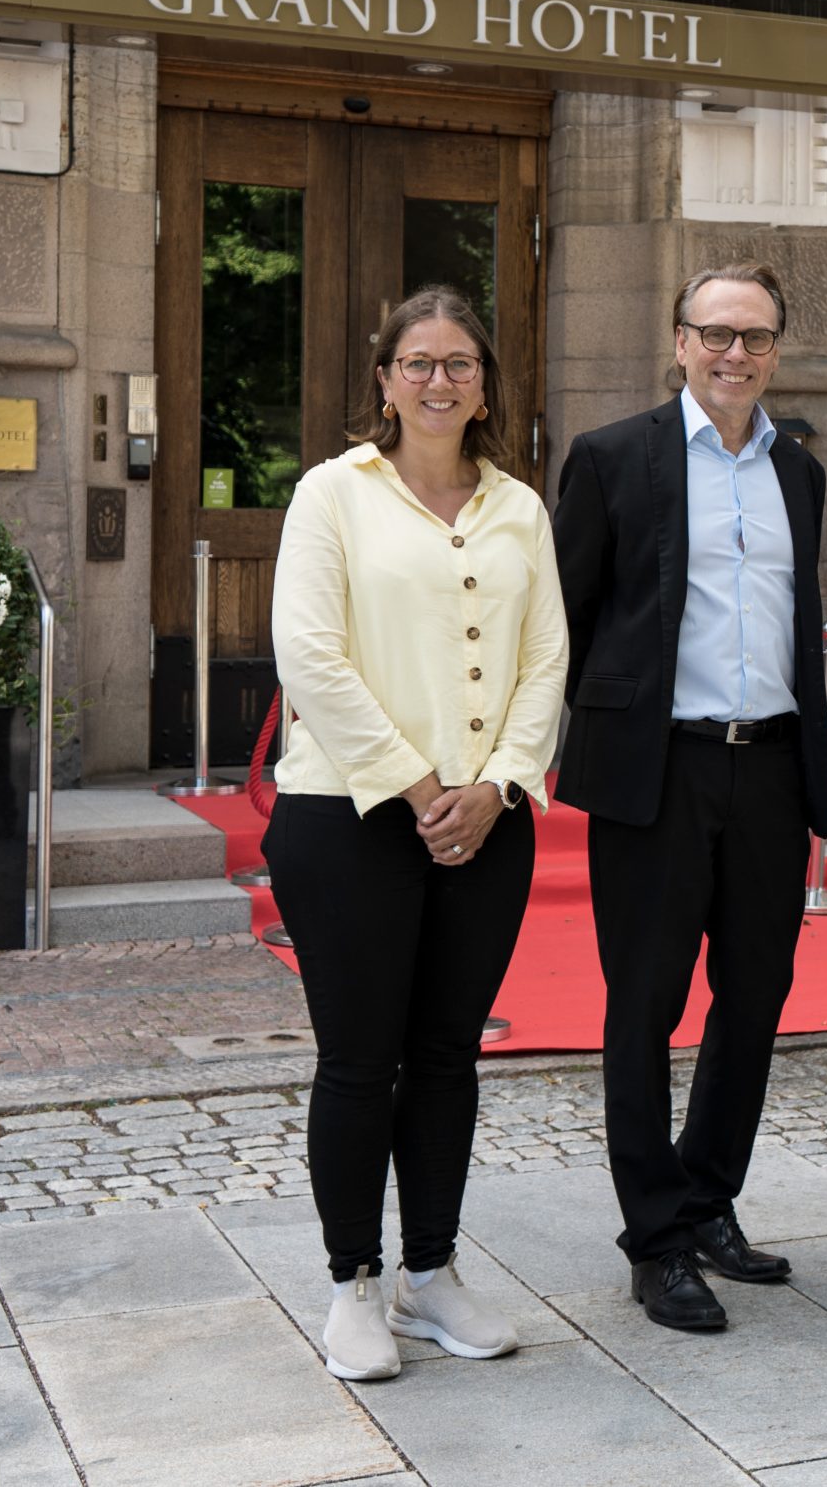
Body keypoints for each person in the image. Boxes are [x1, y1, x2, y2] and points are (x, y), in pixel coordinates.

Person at [266, 284, 569, 1381]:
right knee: (359, 1060)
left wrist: (494, 785)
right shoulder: (331, 495)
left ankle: (429, 1274)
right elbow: (309, 654)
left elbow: (545, 663)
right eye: (418, 362)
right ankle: (352, 1283)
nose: (439, 379)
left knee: (446, 1055)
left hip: (488, 823)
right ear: (384, 379)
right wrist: (414, 783)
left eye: (460, 363)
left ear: (485, 382)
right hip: (344, 819)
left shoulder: (519, 507)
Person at [553, 262, 827, 1333]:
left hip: (766, 765)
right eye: (715, 334)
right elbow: (566, 621)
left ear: (774, 349)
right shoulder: (613, 457)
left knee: (753, 997)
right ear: (678, 341)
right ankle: (655, 1239)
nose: (734, 355)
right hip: (657, 773)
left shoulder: (797, 473)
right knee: (645, 1007)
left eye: (754, 337)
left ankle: (708, 1198)